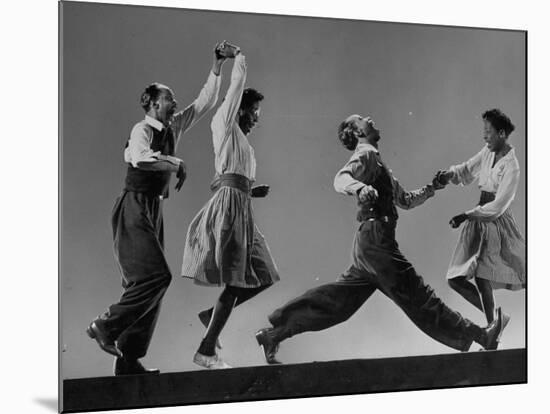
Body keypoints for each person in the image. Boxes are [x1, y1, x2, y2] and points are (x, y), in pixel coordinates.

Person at [255, 114, 506, 365]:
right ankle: (481, 335)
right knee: (418, 296)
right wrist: (360, 188)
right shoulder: (364, 155)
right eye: (362, 119)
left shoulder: (377, 161)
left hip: (369, 244)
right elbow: (340, 178)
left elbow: (405, 200)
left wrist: (432, 187)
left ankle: (274, 334)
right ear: (357, 132)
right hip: (376, 243)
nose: (369, 118)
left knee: (337, 304)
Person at [86, 43, 228, 376]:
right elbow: (140, 158)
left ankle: (128, 359)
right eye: (168, 98)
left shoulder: (173, 127)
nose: (174, 102)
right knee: (155, 277)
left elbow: (204, 102)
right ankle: (104, 326)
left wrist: (217, 68)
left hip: (152, 210)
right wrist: (175, 162)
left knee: (150, 284)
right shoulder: (143, 130)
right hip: (132, 207)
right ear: (152, 103)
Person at [181, 48, 280, 370]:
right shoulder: (224, 124)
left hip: (241, 210)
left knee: (264, 275)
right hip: (228, 211)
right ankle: (206, 349)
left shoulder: (245, 146)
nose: (256, 119)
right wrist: (236, 57)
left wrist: (251, 190)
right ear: (239, 110)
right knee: (237, 282)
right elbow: (235, 87)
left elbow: (231, 176)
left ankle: (211, 318)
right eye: (253, 113)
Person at [435, 109, 525, 328]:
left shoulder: (511, 167)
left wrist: (466, 215)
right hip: (478, 216)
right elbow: (468, 168)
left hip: (496, 221)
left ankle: (492, 328)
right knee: (456, 278)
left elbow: (497, 207)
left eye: (489, 132)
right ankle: (495, 321)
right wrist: (449, 175)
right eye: (484, 131)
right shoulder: (487, 151)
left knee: (489, 275)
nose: (485, 136)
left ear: (502, 134)